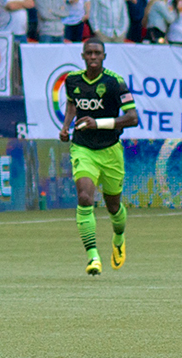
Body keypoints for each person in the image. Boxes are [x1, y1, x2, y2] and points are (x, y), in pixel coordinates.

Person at [57, 38, 138, 276]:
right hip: (82, 148)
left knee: (113, 206)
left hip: (110, 149)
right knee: (84, 197)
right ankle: (93, 256)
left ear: (104, 56)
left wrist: (98, 123)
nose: (93, 57)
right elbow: (72, 105)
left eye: (97, 53)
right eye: (89, 53)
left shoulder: (115, 82)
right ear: (83, 56)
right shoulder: (72, 80)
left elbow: (132, 118)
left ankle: (119, 237)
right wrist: (65, 127)